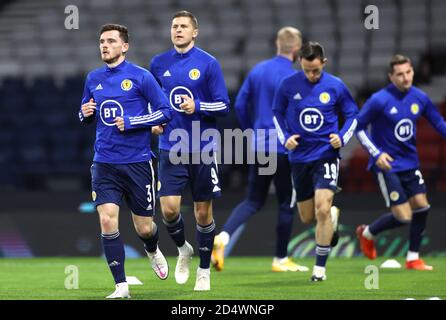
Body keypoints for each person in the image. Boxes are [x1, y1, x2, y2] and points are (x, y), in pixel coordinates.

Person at [79, 24, 172, 298]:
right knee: (107, 221)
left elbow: (166, 112)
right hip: (104, 162)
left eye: (110, 41)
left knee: (144, 227)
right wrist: (84, 113)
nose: (104, 46)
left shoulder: (141, 77)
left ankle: (152, 248)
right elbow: (85, 112)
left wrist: (133, 121)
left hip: (138, 162)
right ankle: (121, 286)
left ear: (125, 46)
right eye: (101, 41)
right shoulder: (93, 78)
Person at [211, 27, 308, 273]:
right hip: (284, 148)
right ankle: (280, 259)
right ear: (296, 49)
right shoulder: (295, 77)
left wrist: (249, 131)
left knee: (253, 200)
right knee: (286, 202)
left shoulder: (258, 70)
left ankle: (223, 236)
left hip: (259, 146)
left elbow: (241, 104)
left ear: (278, 43)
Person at [149, 11, 230, 291]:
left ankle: (204, 271)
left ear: (195, 32)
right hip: (171, 146)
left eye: (184, 26)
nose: (178, 30)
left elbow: (224, 105)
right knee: (169, 210)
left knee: (202, 214)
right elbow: (153, 102)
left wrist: (199, 106)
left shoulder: (209, 63)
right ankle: (184, 248)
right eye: (174, 26)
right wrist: (155, 122)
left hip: (203, 147)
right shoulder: (158, 64)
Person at [272, 41, 359, 281]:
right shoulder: (288, 85)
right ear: (300, 63)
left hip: (326, 155)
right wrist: (285, 138)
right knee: (308, 217)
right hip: (299, 157)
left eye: (316, 70)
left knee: (322, 207)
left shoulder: (336, 86)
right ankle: (331, 217)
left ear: (324, 63)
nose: (311, 75)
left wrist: (342, 137)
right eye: (307, 70)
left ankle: (319, 269)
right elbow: (277, 113)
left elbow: (353, 114)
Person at [355, 54, 446, 270]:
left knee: (422, 207)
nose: (405, 78)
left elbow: (439, 123)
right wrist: (376, 154)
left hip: (410, 163)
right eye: (400, 74)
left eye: (408, 72)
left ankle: (413, 258)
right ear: (391, 76)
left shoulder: (420, 98)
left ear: (413, 71)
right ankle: (367, 233)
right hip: (387, 165)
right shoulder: (379, 100)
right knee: (404, 216)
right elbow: (357, 128)